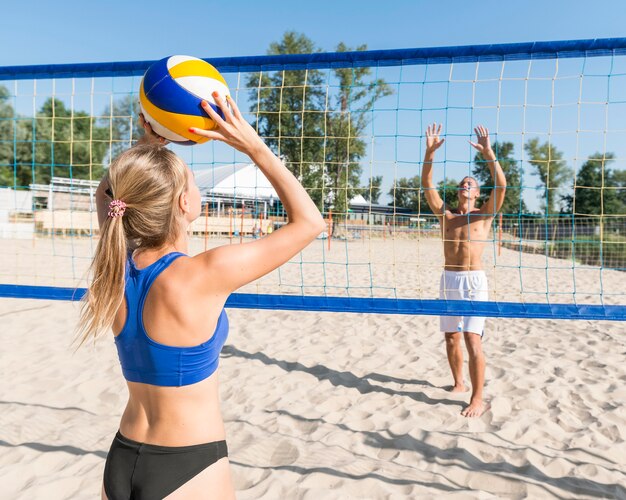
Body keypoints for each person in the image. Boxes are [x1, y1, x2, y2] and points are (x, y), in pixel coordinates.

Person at [77, 92, 326, 499]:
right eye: (192, 181)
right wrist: (252, 145)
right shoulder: (204, 273)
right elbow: (310, 221)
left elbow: (108, 196)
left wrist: (149, 144)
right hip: (187, 462)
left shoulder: (115, 266)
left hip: (121, 458)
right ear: (184, 202)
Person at [421, 123, 506, 418]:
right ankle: (458, 382)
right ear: (458, 191)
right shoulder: (446, 214)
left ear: (478, 192)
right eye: (463, 182)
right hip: (449, 279)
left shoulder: (484, 215)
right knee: (451, 337)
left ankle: (477, 397)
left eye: (471, 182)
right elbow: (427, 185)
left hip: (474, 281)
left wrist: (488, 153)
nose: (466, 184)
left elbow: (502, 185)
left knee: (472, 338)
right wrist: (429, 153)